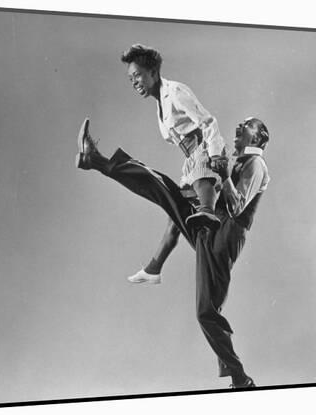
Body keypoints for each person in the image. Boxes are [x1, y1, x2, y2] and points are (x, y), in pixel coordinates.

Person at [75, 116, 270, 388]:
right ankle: (97, 161)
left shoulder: (256, 164)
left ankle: (240, 378)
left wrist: (223, 175)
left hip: (225, 235)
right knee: (163, 188)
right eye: (240, 124)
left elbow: (236, 208)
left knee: (206, 311)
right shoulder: (235, 161)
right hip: (207, 224)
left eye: (247, 125)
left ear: (258, 138)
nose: (239, 127)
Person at [119, 44, 226, 285]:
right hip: (189, 159)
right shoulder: (159, 103)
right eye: (130, 79)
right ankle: (153, 269)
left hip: (204, 149)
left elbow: (208, 122)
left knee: (201, 178)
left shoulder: (175, 92)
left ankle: (207, 214)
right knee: (174, 216)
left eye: (137, 75)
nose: (134, 82)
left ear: (153, 72)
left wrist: (216, 153)